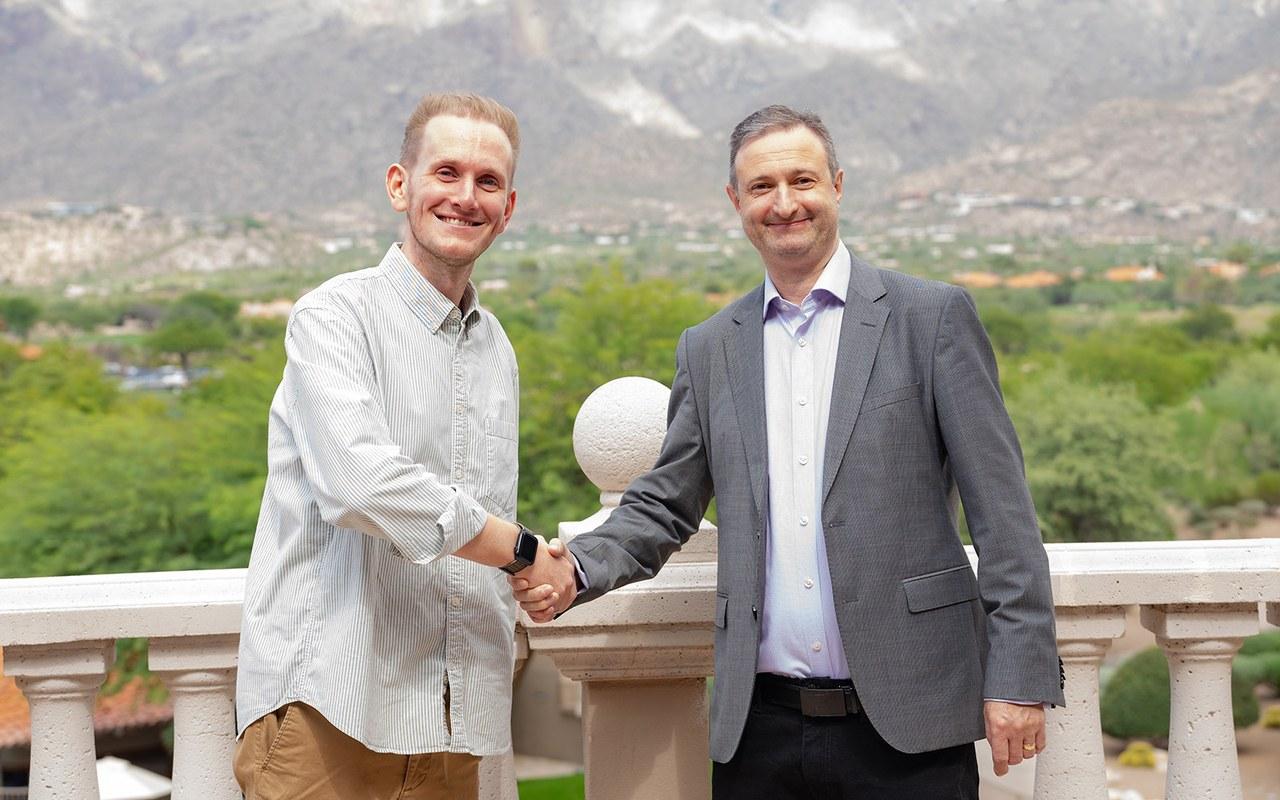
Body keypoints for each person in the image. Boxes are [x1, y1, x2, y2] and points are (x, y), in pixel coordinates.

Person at [514, 105, 1064, 799]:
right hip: (760, 734)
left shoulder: (931, 319)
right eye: (761, 187)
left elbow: (1003, 515)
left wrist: (1018, 676)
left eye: (801, 180)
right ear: (735, 201)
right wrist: (576, 568)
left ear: (837, 184)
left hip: (911, 722)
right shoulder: (710, 348)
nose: (784, 203)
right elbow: (665, 503)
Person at [233, 93, 573, 800]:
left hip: (452, 724)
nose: (465, 196)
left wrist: (531, 581)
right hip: (331, 711)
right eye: (446, 172)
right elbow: (360, 484)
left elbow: (482, 508)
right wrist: (518, 549)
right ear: (400, 185)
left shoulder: (495, 348)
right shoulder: (333, 316)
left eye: (487, 182)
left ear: (508, 209)